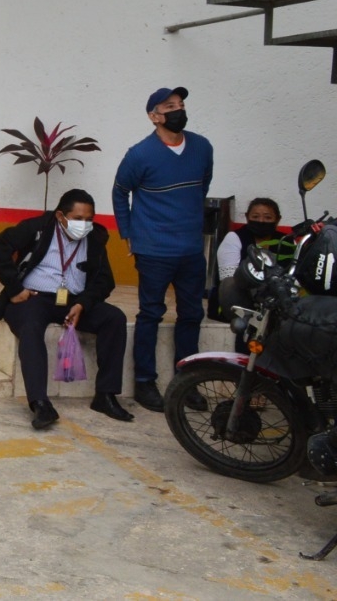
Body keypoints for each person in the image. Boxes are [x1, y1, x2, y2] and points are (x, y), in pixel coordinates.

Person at [0, 189, 133, 429]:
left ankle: (105, 395)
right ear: (60, 216)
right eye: (77, 219)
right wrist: (14, 289)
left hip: (74, 301)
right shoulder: (38, 228)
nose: (84, 225)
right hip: (34, 298)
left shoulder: (94, 238)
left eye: (89, 219)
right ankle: (40, 403)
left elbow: (105, 281)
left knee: (114, 318)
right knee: (31, 327)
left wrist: (83, 303)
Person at [112, 86, 214, 413]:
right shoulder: (139, 154)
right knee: (151, 314)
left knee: (192, 314)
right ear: (154, 116)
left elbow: (203, 186)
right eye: (169, 106)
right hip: (153, 250)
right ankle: (145, 382)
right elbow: (119, 192)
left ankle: (188, 381)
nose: (178, 110)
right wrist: (128, 234)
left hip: (190, 250)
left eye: (181, 104)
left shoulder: (202, 147)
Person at [213, 198, 283, 348]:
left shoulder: (286, 242)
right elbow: (228, 279)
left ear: (278, 220)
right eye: (255, 217)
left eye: (268, 217)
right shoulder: (234, 238)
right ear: (247, 217)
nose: (261, 221)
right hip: (243, 304)